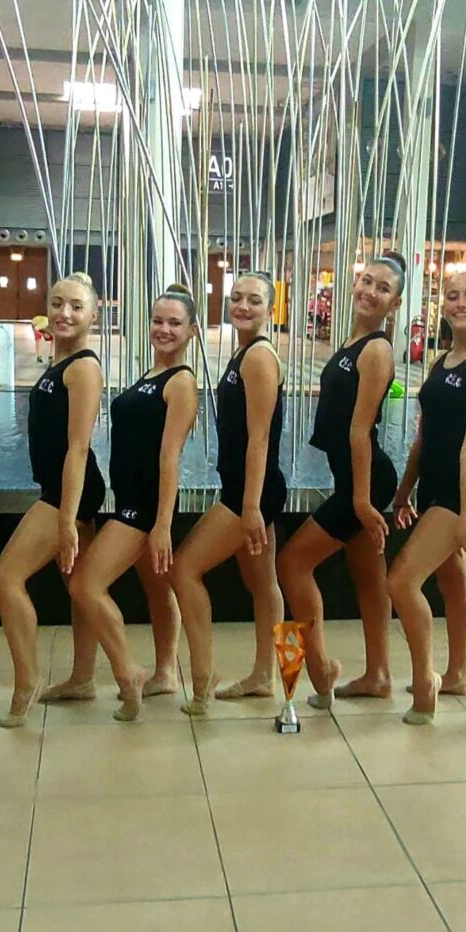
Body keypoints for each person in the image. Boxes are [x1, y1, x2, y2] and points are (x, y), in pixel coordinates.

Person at [65, 285, 199, 721]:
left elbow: (170, 457)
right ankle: (166, 672)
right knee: (157, 588)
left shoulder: (181, 382)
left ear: (192, 331)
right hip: (131, 499)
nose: (164, 329)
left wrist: (161, 524)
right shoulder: (151, 375)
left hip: (142, 508)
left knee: (85, 584)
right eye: (158, 321)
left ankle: (130, 672)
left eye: (175, 323)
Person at [276, 257, 402, 708]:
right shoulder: (353, 342)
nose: (370, 291)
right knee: (369, 578)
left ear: (395, 303)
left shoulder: (376, 350)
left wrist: (362, 501)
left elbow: (360, 431)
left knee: (292, 563)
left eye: (383, 288)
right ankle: (379, 674)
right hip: (354, 479)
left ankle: (321, 666)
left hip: (363, 484)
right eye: (367, 281)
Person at [387, 273, 466, 723]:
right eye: (452, 296)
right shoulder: (442, 361)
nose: (461, 304)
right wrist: (403, 492)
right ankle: (457, 674)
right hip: (434, 486)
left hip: (460, 493)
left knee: (401, 582)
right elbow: (424, 438)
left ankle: (426, 685)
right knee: (453, 582)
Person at [0, 272, 105, 727]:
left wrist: (66, 520)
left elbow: (78, 448)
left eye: (76, 306)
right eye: (57, 304)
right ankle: (84, 678)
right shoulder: (61, 362)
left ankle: (27, 681)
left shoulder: (83, 368)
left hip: (66, 493)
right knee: (79, 588)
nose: (64, 313)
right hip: (63, 489)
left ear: (94, 315)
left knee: (5, 579)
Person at [170, 272, 286, 715]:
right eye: (236, 297)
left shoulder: (259, 357)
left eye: (254, 300)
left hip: (249, 492)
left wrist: (251, 506)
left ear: (270, 309)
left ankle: (204, 677)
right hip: (250, 487)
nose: (242, 305)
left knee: (184, 569)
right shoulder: (244, 351)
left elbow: (260, 438)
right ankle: (265, 675)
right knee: (263, 583)